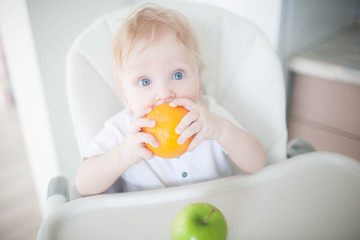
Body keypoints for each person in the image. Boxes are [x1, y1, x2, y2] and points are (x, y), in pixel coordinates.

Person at [75, 4, 266, 196]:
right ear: (126, 96)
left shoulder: (210, 117)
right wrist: (123, 154)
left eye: (177, 75)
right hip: (145, 220)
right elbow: (84, 185)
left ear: (199, 83)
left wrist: (222, 130)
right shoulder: (121, 131)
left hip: (213, 210)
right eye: (145, 81)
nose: (164, 93)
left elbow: (256, 163)